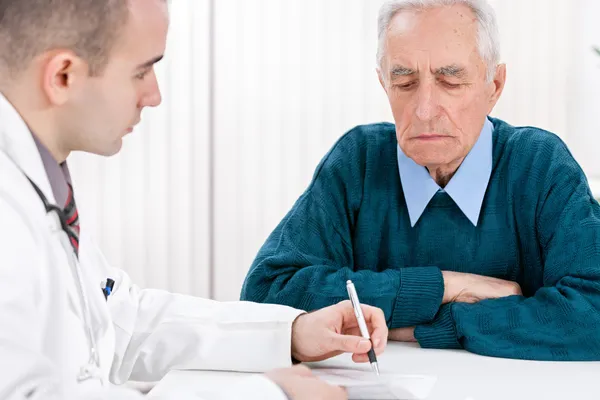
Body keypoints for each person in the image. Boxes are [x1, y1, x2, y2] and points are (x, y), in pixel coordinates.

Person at [0, 0, 389, 399]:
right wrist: (268, 395)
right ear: (63, 76)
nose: (154, 95)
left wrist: (290, 333)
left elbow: (122, 321)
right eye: (141, 72)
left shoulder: (38, 184)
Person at [241, 0, 600, 361]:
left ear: (494, 85)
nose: (425, 109)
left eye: (451, 80)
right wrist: (445, 286)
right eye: (405, 81)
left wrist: (433, 327)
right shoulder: (358, 161)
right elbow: (266, 296)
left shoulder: (539, 164)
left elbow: (593, 311)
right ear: (384, 83)